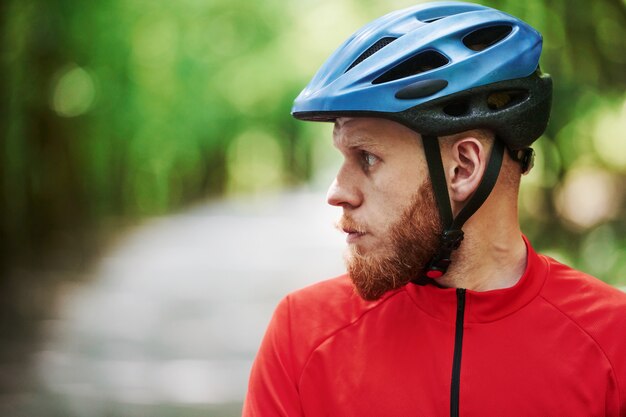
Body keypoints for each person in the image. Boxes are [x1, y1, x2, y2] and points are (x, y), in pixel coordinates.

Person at [243, 2, 626, 416]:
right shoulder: (301, 336)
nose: (337, 192)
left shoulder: (613, 342)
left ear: (463, 168)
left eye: (367, 157)